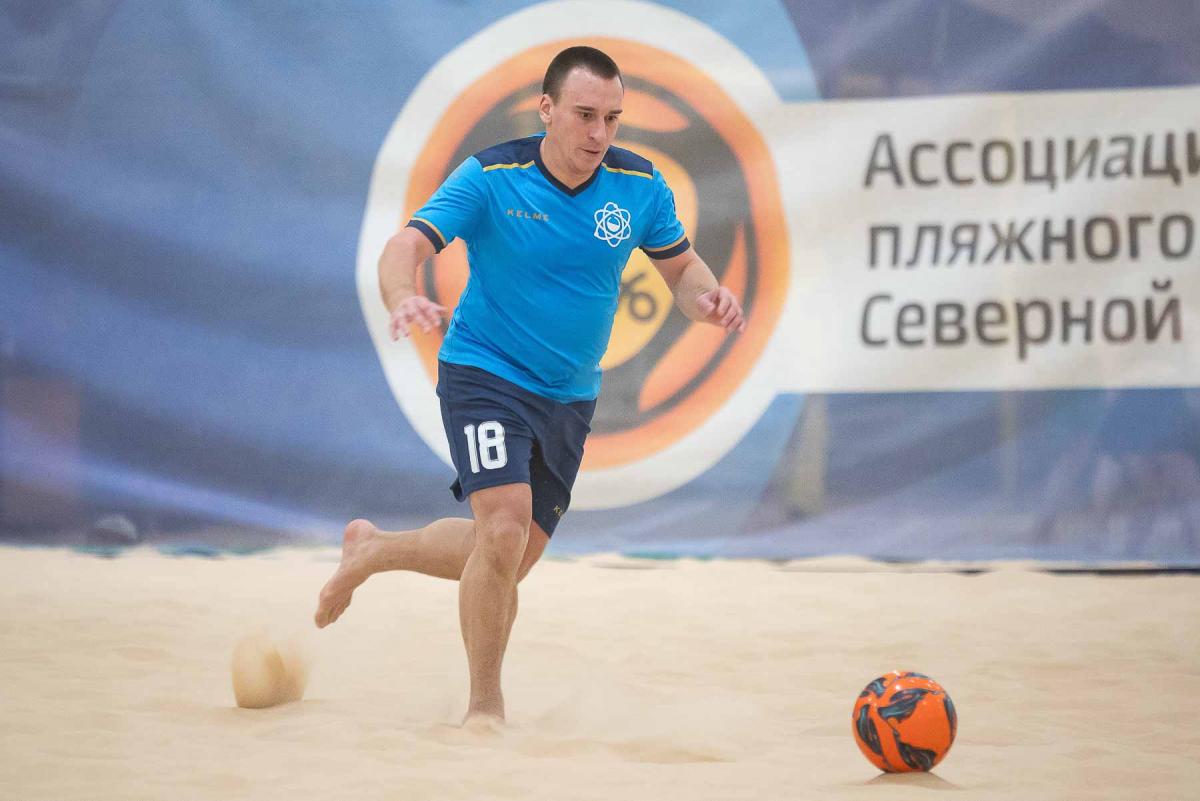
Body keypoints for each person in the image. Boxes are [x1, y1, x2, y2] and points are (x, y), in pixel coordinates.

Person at [314, 45, 745, 727]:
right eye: (584, 115)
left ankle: (375, 549)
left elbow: (683, 270)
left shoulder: (638, 184)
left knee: (505, 554)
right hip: (484, 371)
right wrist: (402, 296)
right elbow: (405, 248)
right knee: (504, 526)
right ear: (546, 108)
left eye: (612, 118)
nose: (599, 133)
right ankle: (485, 708)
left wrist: (708, 298)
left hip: (569, 395)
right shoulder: (493, 176)